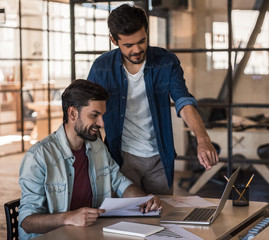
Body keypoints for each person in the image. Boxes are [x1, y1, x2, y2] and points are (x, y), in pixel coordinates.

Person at [87, 4, 219, 195]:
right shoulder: (102, 67)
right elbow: (89, 113)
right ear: (114, 41)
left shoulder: (166, 61)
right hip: (121, 157)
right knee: (125, 219)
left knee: (162, 215)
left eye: (142, 41)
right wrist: (97, 157)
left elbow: (183, 101)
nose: (137, 49)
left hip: (160, 157)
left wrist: (202, 138)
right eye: (128, 45)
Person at [18, 79, 162, 240]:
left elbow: (119, 182)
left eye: (102, 116)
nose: (101, 123)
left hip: (89, 234)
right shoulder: (38, 157)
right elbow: (26, 222)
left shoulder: (97, 147)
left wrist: (142, 200)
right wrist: (68, 218)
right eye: (94, 115)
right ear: (72, 113)